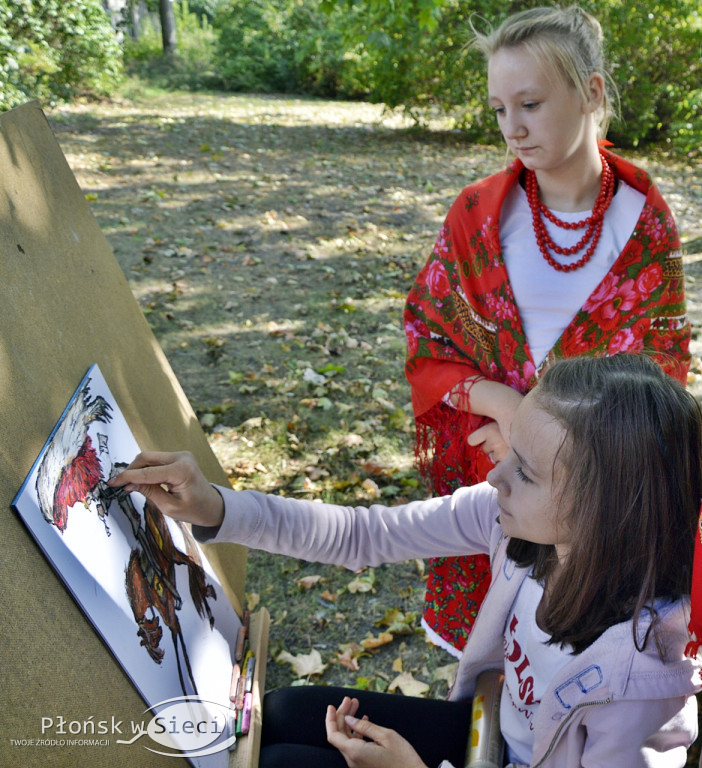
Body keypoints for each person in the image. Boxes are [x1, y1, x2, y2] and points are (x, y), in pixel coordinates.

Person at [109, 354, 702, 768]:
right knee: (284, 713)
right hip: (488, 742)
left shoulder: (640, 687)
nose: (495, 475)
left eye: (525, 471)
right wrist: (214, 506)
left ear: (605, 509)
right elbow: (361, 534)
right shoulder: (514, 523)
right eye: (510, 450)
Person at [404, 4, 691, 657]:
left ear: (590, 92)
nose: (513, 128)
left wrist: (547, 445)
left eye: (530, 104)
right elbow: (428, 338)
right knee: (486, 673)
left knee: (570, 667)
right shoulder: (477, 215)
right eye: (499, 109)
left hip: (595, 502)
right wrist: (506, 408)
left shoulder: (644, 224)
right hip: (491, 474)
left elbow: (657, 381)